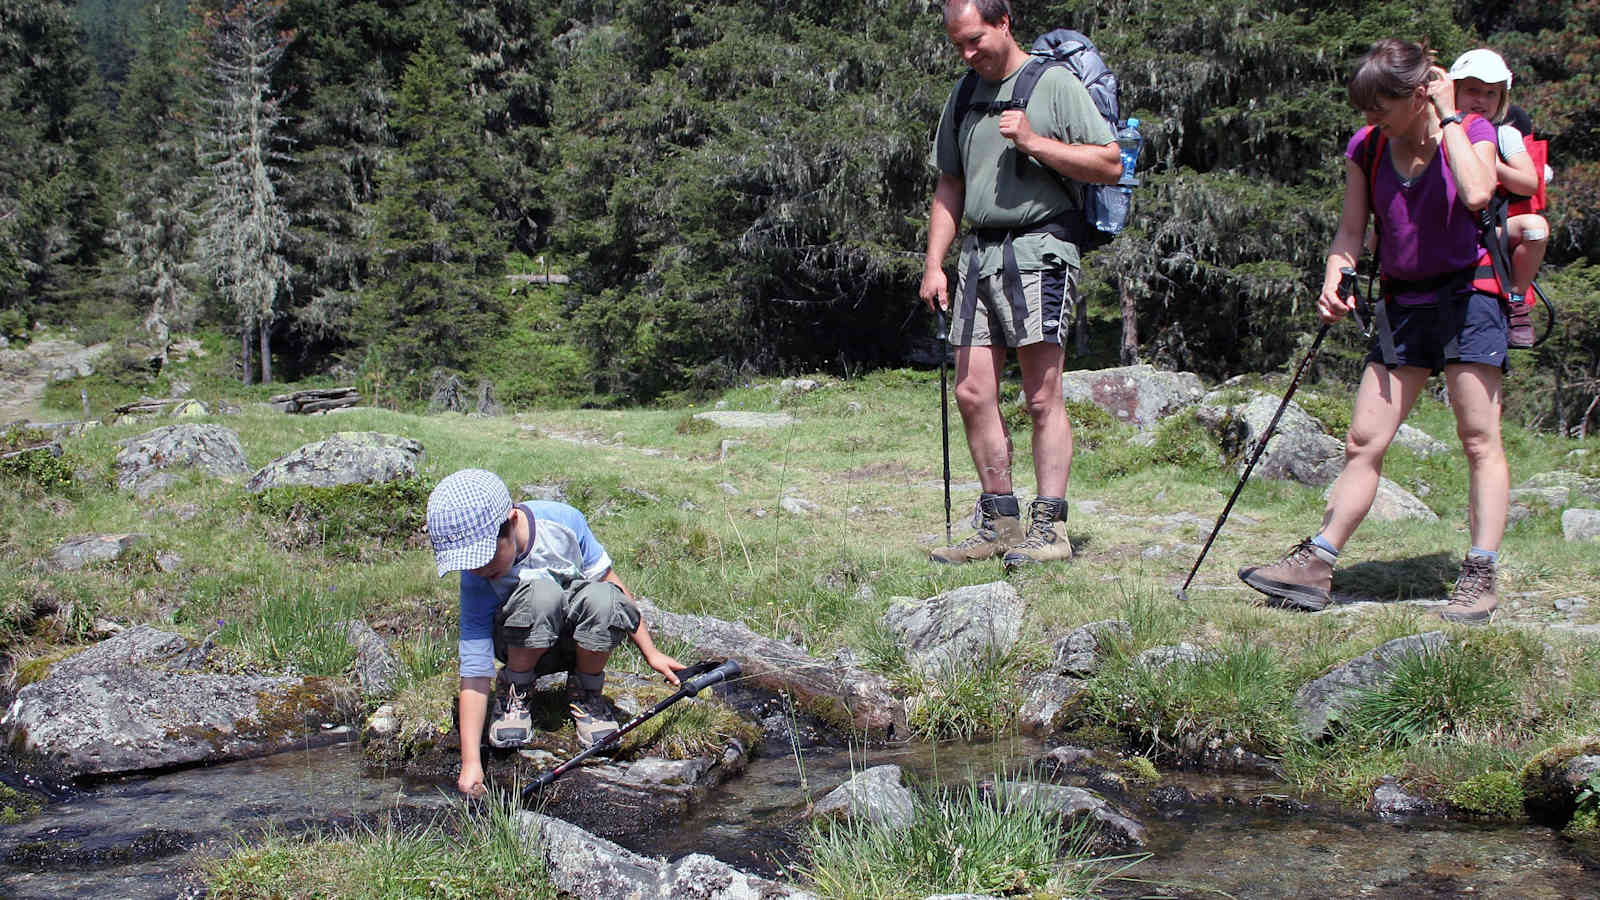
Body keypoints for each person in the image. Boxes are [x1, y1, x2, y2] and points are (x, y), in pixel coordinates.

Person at [1238, 39, 1506, 625]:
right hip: (1405, 299)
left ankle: (1480, 575)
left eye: (1378, 105)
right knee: (1364, 439)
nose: (1368, 117)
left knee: (1478, 437)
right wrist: (1338, 272)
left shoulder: (1472, 131)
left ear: (1417, 94)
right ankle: (1317, 563)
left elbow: (1478, 192)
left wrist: (1451, 114)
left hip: (1471, 295)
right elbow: (1351, 229)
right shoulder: (1370, 145)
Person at [919, 0, 1120, 569]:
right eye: (957, 43)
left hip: (1039, 252)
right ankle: (999, 522)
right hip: (977, 258)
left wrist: (1034, 142)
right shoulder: (963, 95)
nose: (967, 53)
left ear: (1004, 23)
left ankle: (1049, 527)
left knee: (1040, 396)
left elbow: (1109, 163)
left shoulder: (1051, 83)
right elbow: (950, 183)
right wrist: (935, 262)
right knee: (973, 392)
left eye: (975, 40)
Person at [426, 468, 683, 796]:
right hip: (517, 646)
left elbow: (610, 583)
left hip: (575, 643)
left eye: (484, 556)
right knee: (540, 594)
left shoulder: (564, 522)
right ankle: (516, 693)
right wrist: (471, 762)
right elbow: (475, 668)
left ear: (511, 519)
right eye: (469, 563)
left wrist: (651, 652)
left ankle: (587, 694)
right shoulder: (476, 577)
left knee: (604, 599)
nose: (478, 569)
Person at [1448, 48, 1549, 348]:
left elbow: (1529, 183)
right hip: (1445, 228)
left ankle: (1516, 301)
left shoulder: (1505, 134)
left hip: (1491, 229)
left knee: (1536, 229)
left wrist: (1487, 160)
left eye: (1491, 93)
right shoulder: (1433, 131)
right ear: (1453, 90)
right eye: (1472, 91)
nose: (1481, 100)